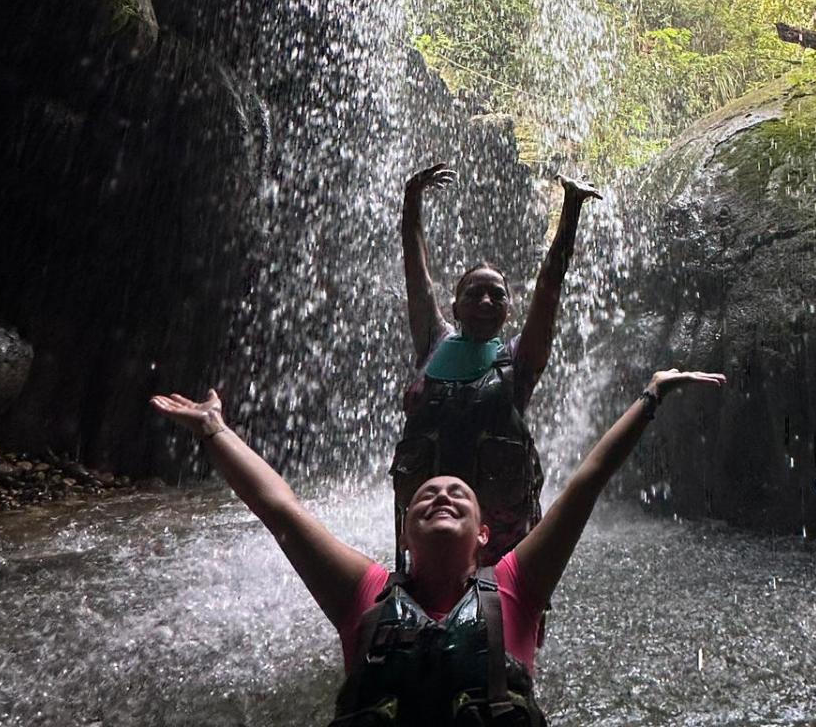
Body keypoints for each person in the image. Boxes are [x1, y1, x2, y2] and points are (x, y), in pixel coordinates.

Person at [150, 368, 725, 726]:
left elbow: (585, 483)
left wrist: (651, 396)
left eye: (458, 494)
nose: (442, 495)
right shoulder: (364, 594)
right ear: (405, 533)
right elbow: (282, 511)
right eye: (426, 494)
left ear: (483, 534)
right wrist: (214, 430)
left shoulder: (515, 586)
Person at [392, 163, 600, 567]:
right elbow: (416, 274)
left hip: (499, 546)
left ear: (508, 310)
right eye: (474, 293)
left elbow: (549, 289)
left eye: (497, 295)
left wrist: (571, 209)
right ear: (454, 306)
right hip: (430, 537)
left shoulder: (519, 362)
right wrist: (411, 200)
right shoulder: (434, 345)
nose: (486, 302)